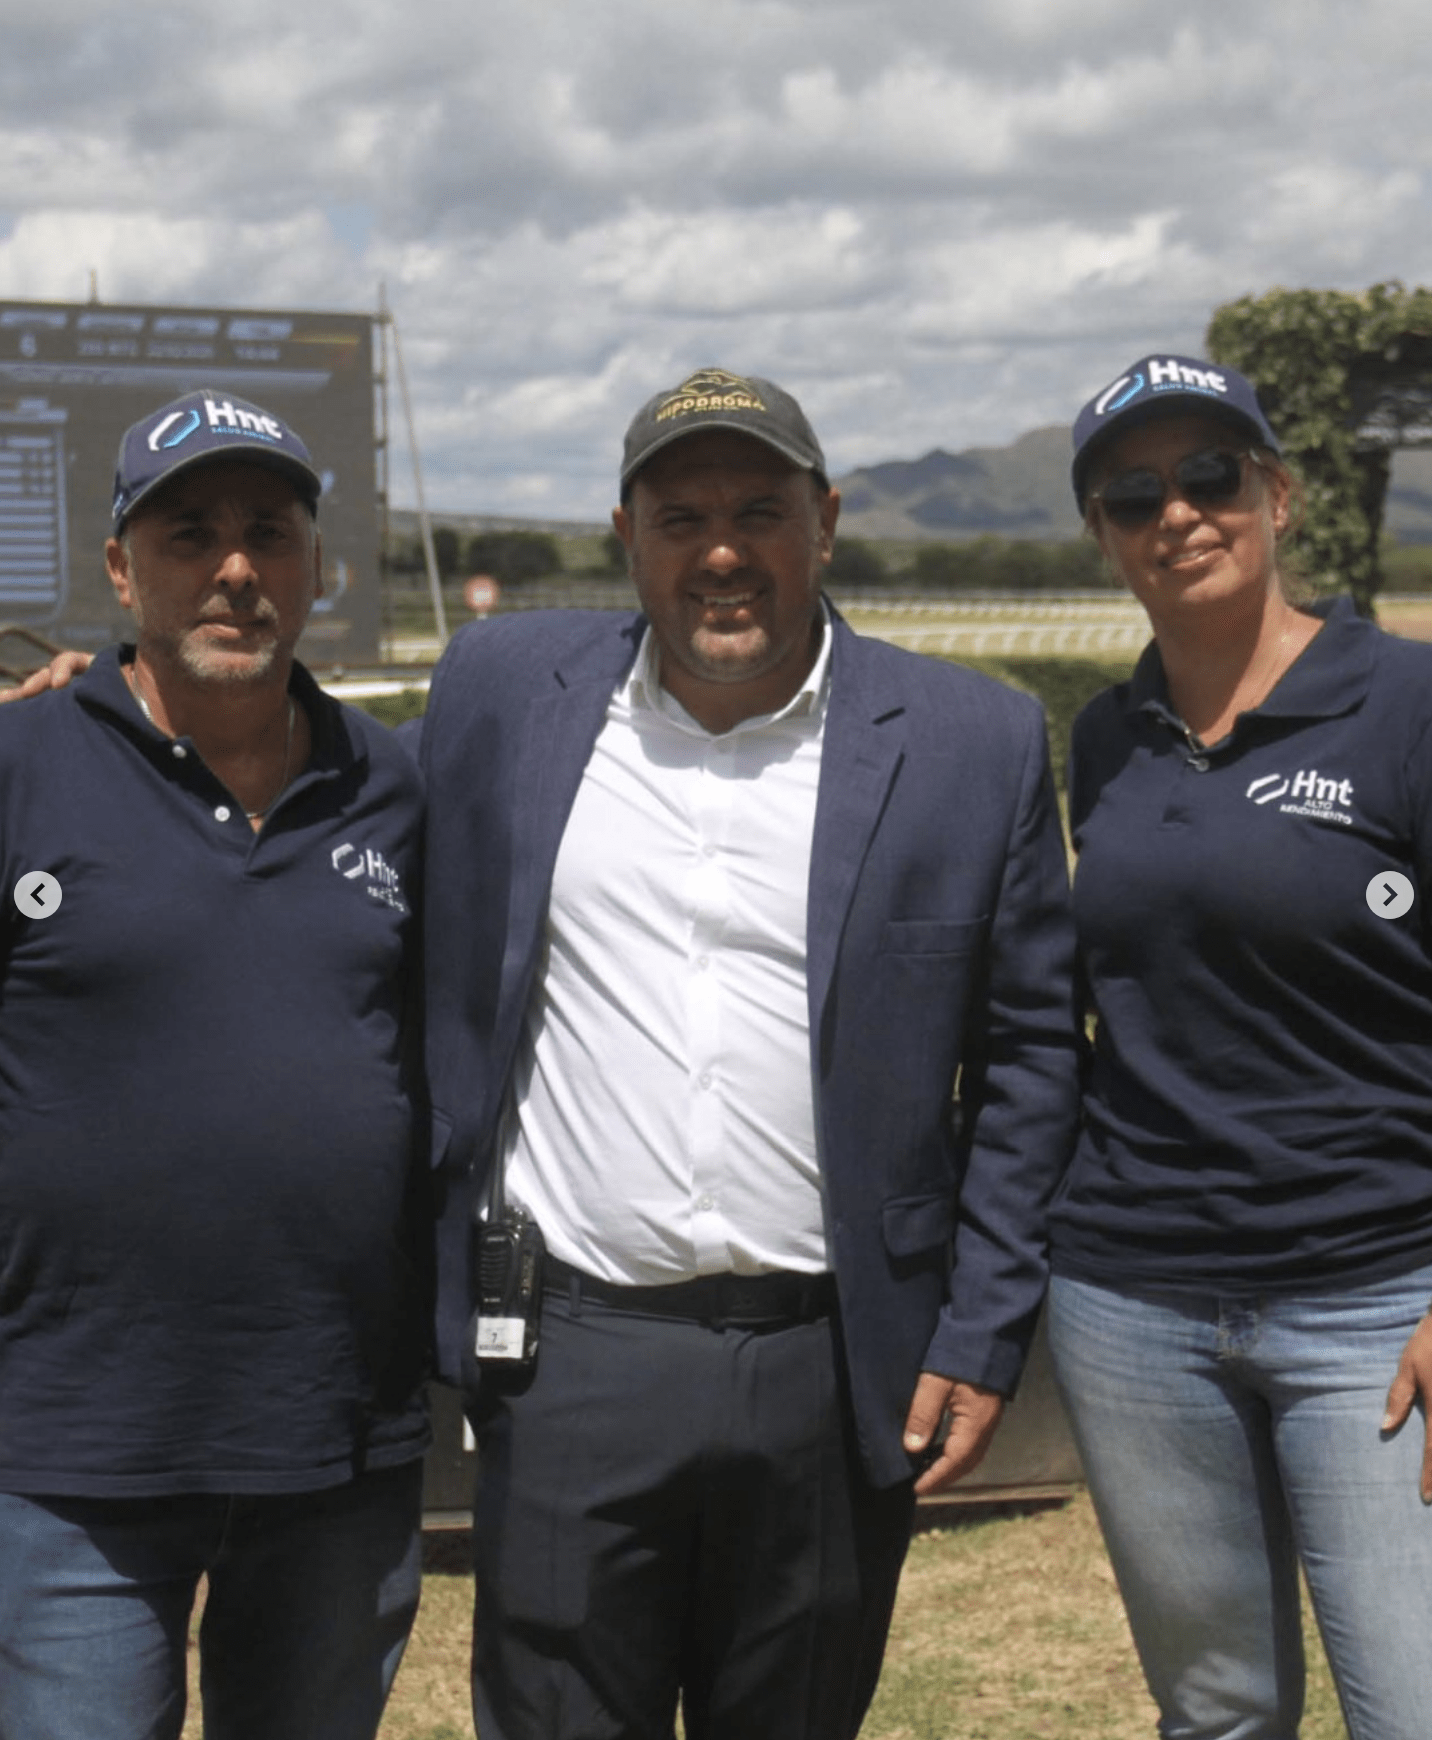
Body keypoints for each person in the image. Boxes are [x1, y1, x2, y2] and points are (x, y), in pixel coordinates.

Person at [416, 367, 1080, 1739]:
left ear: (825, 521)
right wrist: (77, 716)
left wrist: (983, 1325)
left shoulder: (972, 742)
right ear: (626, 535)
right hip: (571, 1353)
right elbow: (313, 791)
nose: (721, 551)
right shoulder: (499, 690)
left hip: (833, 1370)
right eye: (681, 515)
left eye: (760, 510)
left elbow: (1026, 1059)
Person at [0, 390, 431, 1740]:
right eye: (190, 533)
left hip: (336, 1436)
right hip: (69, 1443)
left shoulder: (397, 788)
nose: (234, 567)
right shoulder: (18, 760)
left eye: (269, 532)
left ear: (319, 567)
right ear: (123, 570)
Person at [1046, 353, 1432, 1740]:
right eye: (1133, 495)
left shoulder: (1407, 706)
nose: (1179, 515)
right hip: (1134, 1305)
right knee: (1217, 1715)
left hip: (1379, 1302)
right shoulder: (1108, 739)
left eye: (1211, 477)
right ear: (1101, 534)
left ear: (1278, 493)